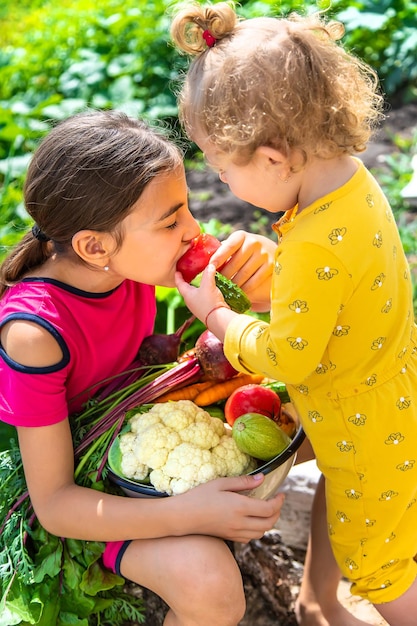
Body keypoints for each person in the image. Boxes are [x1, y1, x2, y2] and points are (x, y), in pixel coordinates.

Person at [170, 3, 417, 626]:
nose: (218, 179)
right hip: (388, 389)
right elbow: (341, 286)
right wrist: (276, 272)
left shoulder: (311, 241)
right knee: (343, 494)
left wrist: (218, 317)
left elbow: (288, 355)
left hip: (357, 418)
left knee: (381, 568)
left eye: (222, 167)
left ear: (275, 160)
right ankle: (316, 603)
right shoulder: (351, 183)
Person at [0, 109, 285, 626]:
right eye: (172, 220)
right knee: (211, 587)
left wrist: (267, 270)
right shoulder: (34, 335)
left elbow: (256, 305)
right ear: (94, 246)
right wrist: (186, 514)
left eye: (188, 209)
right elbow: (57, 504)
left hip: (139, 428)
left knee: (335, 411)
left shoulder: (126, 261)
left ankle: (320, 597)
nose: (194, 230)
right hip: (87, 493)